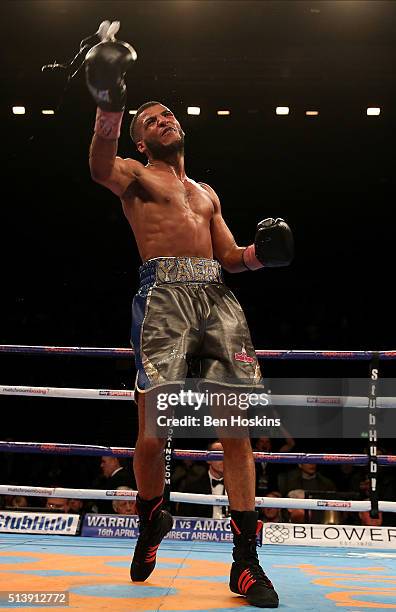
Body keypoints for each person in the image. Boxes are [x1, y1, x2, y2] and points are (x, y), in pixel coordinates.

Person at [86, 29, 293, 608]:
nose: (164, 121)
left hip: (218, 299)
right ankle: (153, 515)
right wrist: (108, 101)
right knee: (155, 427)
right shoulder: (135, 176)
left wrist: (260, 255)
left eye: (168, 115)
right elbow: (100, 164)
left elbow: (229, 257)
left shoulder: (206, 192)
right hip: (163, 297)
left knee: (237, 427)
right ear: (141, 138)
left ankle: (246, 564)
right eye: (150, 119)